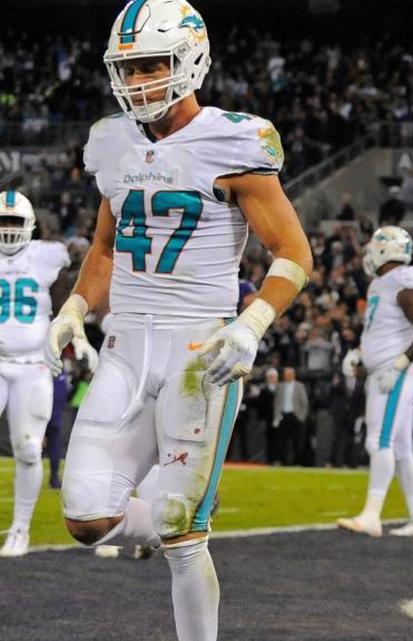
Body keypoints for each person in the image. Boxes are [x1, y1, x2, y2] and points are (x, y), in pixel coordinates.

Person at [49, 3, 313, 639]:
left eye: (151, 65)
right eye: (127, 67)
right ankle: (177, 518)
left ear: (190, 61)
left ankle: (183, 532)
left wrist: (250, 324)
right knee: (86, 516)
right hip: (123, 348)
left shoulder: (234, 138)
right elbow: (107, 248)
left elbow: (294, 253)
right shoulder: (111, 141)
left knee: (181, 531)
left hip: (199, 351)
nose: (137, 81)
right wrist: (75, 308)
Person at [0, 191, 91, 558]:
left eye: (14, 222)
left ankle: (20, 528)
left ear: (30, 227)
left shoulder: (48, 255)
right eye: (2, 221)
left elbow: (85, 278)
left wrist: (78, 333)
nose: (7, 229)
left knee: (27, 449)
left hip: (34, 364)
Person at [337, 226, 413, 538]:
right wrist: (360, 354)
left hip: (394, 373)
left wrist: (399, 364)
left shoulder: (402, 279)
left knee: (379, 441)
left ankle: (371, 515)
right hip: (385, 371)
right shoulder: (383, 284)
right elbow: (384, 331)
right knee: (401, 448)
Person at [273, 367, 309, 465]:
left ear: (293, 375)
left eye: (288, 374)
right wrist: (276, 417)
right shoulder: (280, 386)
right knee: (282, 441)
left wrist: (302, 417)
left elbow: (304, 403)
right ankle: (282, 461)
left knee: (297, 441)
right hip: (283, 416)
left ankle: (297, 462)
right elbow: (277, 402)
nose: (287, 376)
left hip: (295, 416)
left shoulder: (299, 386)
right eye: (285, 374)